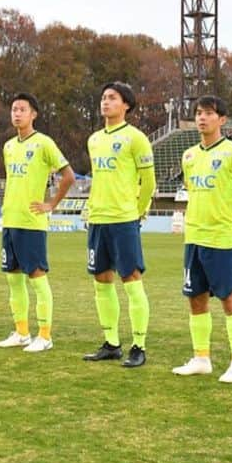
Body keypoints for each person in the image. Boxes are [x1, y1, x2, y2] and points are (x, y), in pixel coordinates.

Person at [172, 96, 232, 382]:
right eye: (198, 113)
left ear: (222, 120)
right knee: (196, 299)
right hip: (193, 237)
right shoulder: (189, 156)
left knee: (229, 298)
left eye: (208, 113)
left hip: (222, 239)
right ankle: (201, 358)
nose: (202, 118)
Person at [82, 81, 156, 369]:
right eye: (103, 98)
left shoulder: (136, 138)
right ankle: (111, 343)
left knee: (131, 281)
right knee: (102, 282)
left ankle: (139, 345)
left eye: (112, 98)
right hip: (98, 220)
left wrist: (136, 213)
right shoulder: (94, 139)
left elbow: (148, 181)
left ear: (126, 104)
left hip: (124, 220)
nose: (105, 102)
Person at [0, 92, 75, 353]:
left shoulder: (43, 143)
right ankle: (21, 332)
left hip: (32, 223)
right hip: (10, 220)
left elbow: (68, 175)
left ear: (33, 114)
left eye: (22, 109)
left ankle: (45, 335)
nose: (17, 113)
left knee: (37, 279)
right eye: (14, 109)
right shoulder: (8, 146)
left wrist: (51, 204)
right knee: (13, 279)